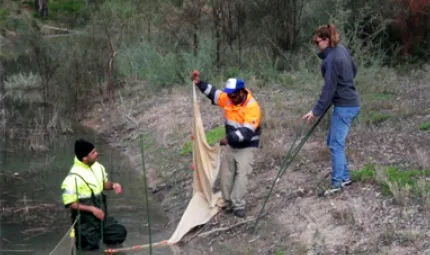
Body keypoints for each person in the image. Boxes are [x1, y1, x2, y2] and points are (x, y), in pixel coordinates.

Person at [191, 70, 261, 218]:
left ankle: (238, 205)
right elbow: (214, 94)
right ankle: (228, 203)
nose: (230, 97)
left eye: (233, 95)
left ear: (242, 92)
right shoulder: (229, 98)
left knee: (242, 175)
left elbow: (246, 133)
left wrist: (228, 139)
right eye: (228, 94)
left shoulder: (252, 107)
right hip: (232, 145)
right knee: (225, 175)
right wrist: (199, 83)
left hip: (247, 146)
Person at [302, 24, 360, 196]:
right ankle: (345, 177)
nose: (316, 45)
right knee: (333, 142)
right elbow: (353, 70)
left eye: (317, 42)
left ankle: (336, 184)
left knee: (335, 144)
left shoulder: (332, 59)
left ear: (326, 40)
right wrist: (344, 84)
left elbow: (328, 89)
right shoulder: (341, 50)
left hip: (345, 106)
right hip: (349, 103)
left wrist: (315, 111)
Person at [61, 139, 127, 251]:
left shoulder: (98, 167)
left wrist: (113, 185)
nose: (97, 154)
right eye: (93, 153)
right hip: (85, 223)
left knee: (119, 232)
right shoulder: (72, 178)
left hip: (102, 218)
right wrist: (92, 209)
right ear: (84, 158)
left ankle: (107, 246)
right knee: (90, 247)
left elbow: (103, 184)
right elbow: (70, 204)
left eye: (95, 151)